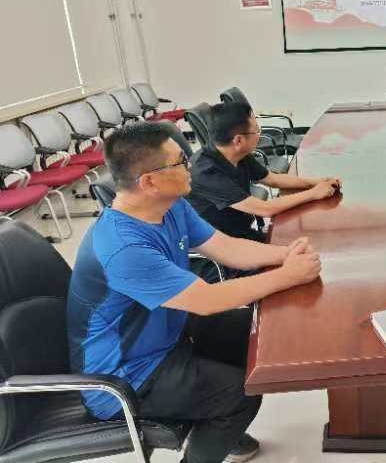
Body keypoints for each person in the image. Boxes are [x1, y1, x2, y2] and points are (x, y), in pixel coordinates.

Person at [67, 122, 322, 463]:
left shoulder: (169, 205)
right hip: (125, 378)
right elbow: (207, 300)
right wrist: (289, 275)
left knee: (258, 332)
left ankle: (216, 426)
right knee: (240, 395)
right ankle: (215, 428)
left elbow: (227, 247)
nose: (191, 166)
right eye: (180, 162)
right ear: (149, 182)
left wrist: (285, 255)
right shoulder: (124, 247)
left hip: (166, 333)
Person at [187, 102, 341, 243]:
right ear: (238, 140)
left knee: (305, 240)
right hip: (222, 245)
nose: (259, 134)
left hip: (241, 232)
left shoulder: (235, 153)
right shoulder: (206, 173)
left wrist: (318, 182)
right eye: (256, 130)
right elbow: (265, 209)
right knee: (303, 249)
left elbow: (272, 179)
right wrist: (314, 193)